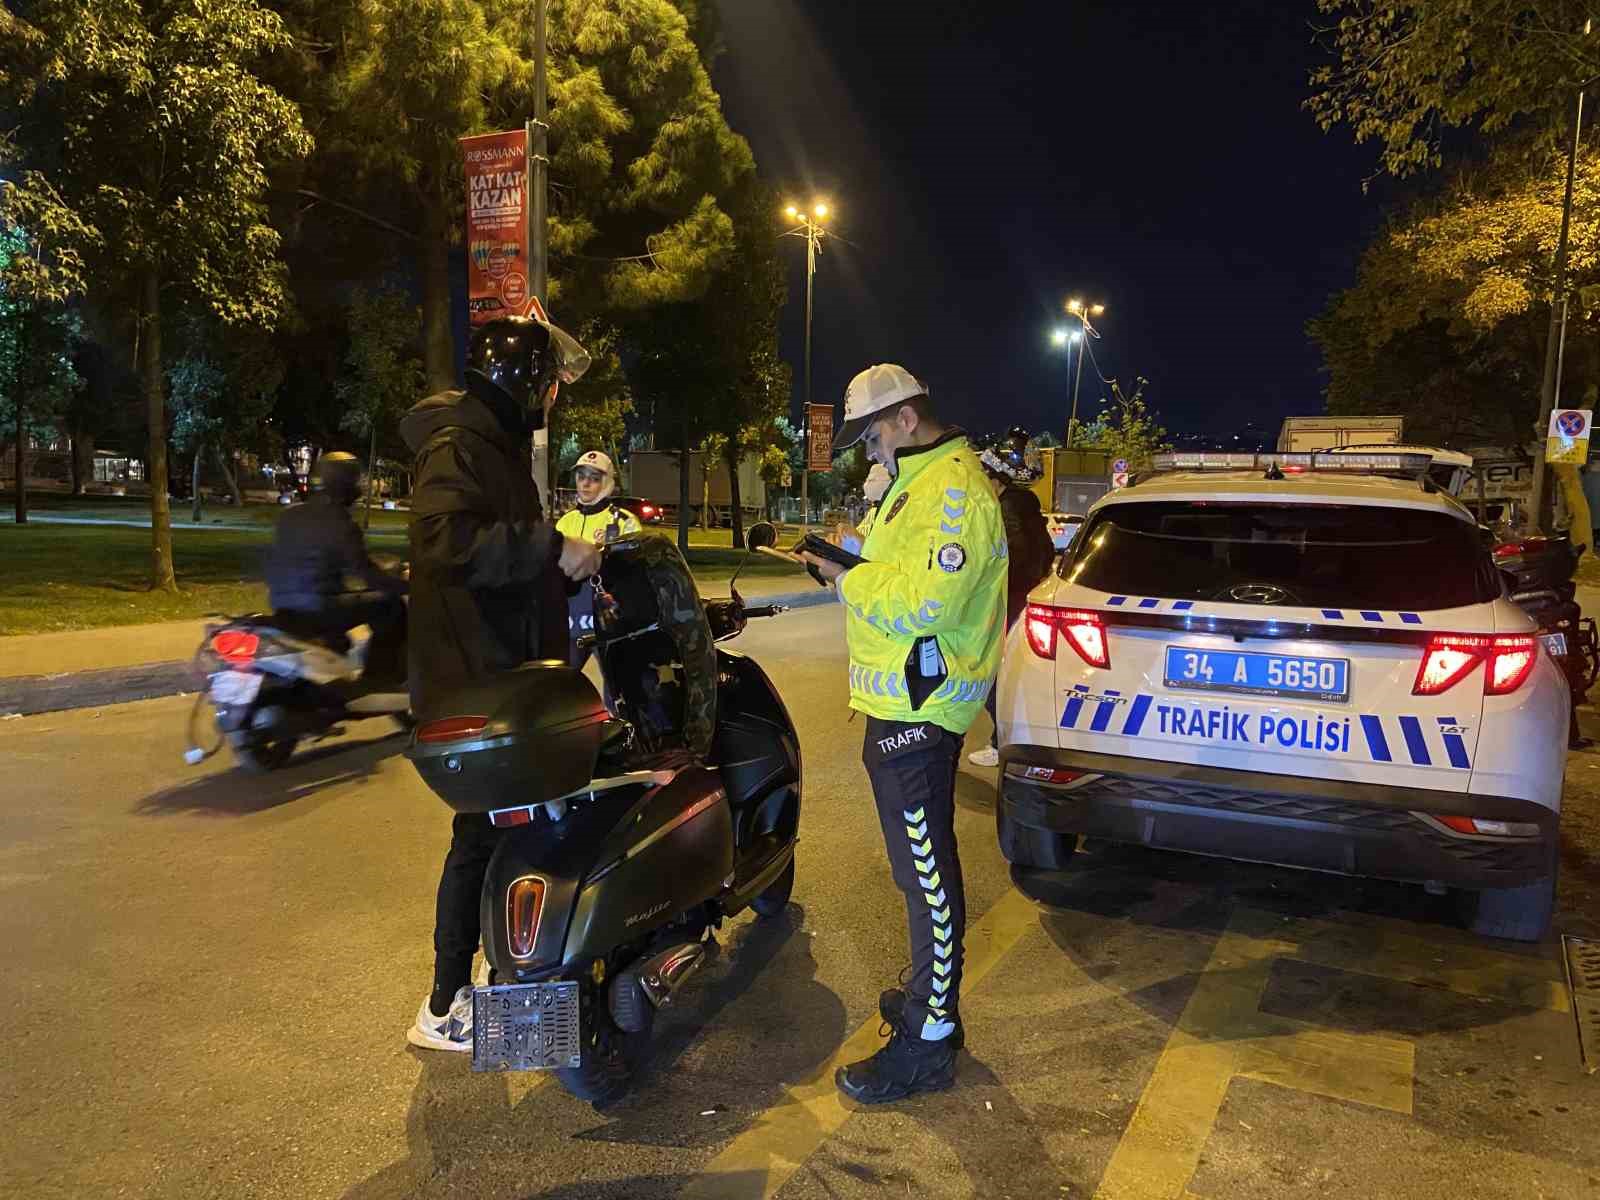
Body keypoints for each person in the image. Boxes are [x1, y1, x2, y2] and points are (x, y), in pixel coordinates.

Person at [800, 363, 1006, 1103]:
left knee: (927, 879)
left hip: (923, 714)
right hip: (900, 707)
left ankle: (930, 1038)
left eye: (874, 434)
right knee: (914, 873)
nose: (868, 451)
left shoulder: (950, 490)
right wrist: (845, 555)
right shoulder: (919, 482)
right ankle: (929, 1003)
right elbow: (898, 569)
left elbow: (925, 604)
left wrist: (845, 577)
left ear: (906, 419)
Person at [399, 314, 601, 1052]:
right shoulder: (460, 446)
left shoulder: (491, 444)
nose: (550, 402)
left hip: (499, 676)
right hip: (473, 684)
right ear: (524, 386)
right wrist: (553, 547)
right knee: (483, 839)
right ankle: (445, 1004)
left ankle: (497, 987)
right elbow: (445, 542)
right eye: (547, 389)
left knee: (514, 831)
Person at [264, 451, 408, 684]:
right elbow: (368, 576)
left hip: (283, 604)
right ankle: (379, 678)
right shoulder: (341, 522)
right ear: (348, 485)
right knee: (390, 606)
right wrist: (409, 585)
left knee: (349, 615)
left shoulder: (289, 515)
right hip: (318, 606)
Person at [968, 427, 1056, 768]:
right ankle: (1011, 738)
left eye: (988, 475)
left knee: (993, 677)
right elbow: (1044, 554)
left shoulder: (1007, 509)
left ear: (999, 478)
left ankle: (1003, 741)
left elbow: (1010, 559)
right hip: (1023, 602)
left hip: (1007, 605)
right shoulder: (1028, 506)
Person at [556, 450, 642, 670]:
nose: (585, 484)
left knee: (618, 693)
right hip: (573, 621)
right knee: (560, 684)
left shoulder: (624, 521)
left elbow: (636, 570)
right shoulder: (565, 522)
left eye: (594, 479)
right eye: (581, 477)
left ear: (606, 483)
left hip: (611, 623)